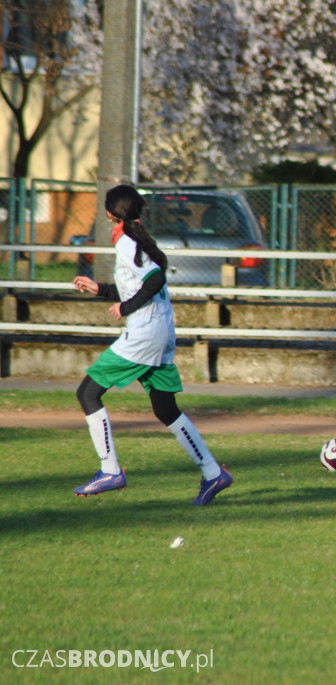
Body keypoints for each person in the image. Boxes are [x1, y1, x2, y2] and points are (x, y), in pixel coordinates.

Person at [70, 184, 232, 505]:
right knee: (165, 409)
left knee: (87, 392)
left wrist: (126, 308)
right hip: (161, 331)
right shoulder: (135, 237)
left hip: (145, 332)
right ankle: (214, 473)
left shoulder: (127, 241)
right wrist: (100, 289)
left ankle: (110, 470)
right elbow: (138, 285)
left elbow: (156, 279)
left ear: (109, 213)